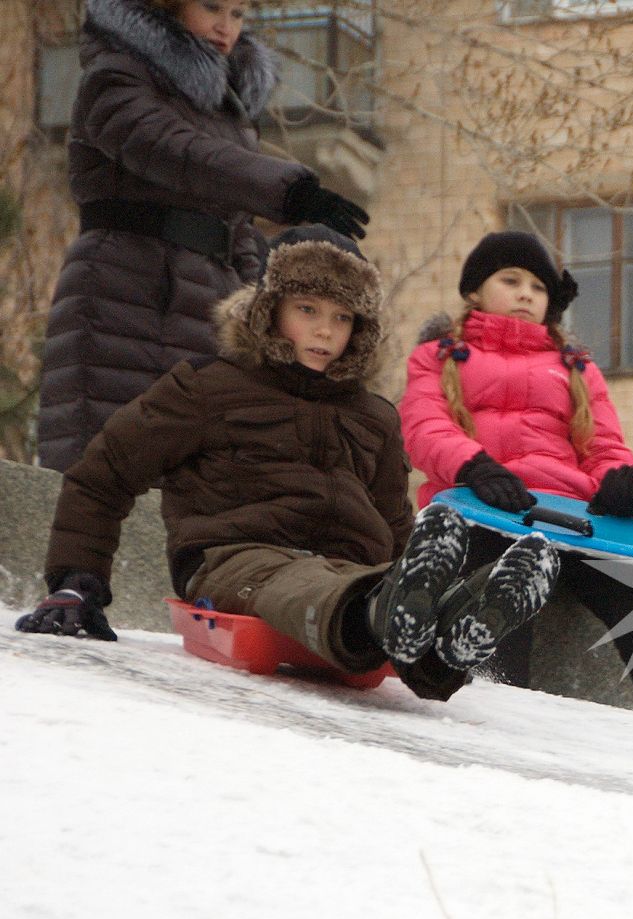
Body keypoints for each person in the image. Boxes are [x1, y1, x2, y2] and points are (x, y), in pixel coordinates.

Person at [15, 227, 558, 704]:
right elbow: (104, 472)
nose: (326, 331)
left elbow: (393, 525)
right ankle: (391, 613)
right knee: (311, 584)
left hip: (352, 566)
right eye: (308, 310)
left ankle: (449, 629)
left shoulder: (372, 416)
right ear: (269, 309)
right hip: (236, 556)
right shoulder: (210, 387)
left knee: (384, 580)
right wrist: (76, 581)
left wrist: (406, 564)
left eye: (342, 318)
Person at [399, 231, 633, 729]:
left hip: (570, 521)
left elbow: (602, 444)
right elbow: (424, 427)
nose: (525, 294)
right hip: (481, 511)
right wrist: (474, 465)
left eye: (538, 287)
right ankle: (488, 723)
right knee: (502, 597)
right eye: (510, 280)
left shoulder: (574, 367)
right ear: (474, 291)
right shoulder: (437, 355)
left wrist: (620, 485)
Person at [38, 0, 370, 473]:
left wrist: (263, 317)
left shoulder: (227, 108)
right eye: (212, 7)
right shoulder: (113, 78)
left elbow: (238, 231)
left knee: (197, 487)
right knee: (105, 473)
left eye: (238, 13)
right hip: (125, 289)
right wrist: (289, 191)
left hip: (206, 300)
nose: (225, 27)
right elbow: (173, 148)